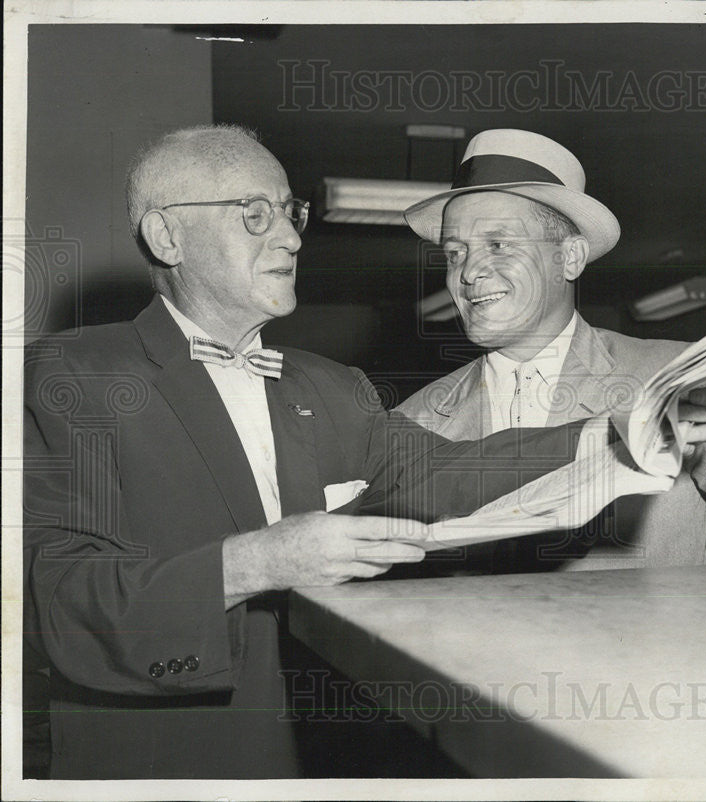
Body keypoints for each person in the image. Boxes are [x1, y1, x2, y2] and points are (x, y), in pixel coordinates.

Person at [21, 125, 600, 779]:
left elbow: (447, 470)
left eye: (291, 213)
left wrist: (615, 432)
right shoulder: (70, 376)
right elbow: (57, 603)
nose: (294, 238)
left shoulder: (331, 386)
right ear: (167, 237)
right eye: (255, 214)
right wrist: (257, 562)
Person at [397, 128, 706, 570]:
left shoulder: (672, 375)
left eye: (500, 244)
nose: (467, 272)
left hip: (643, 676)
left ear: (569, 257)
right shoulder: (413, 420)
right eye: (455, 252)